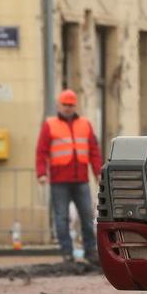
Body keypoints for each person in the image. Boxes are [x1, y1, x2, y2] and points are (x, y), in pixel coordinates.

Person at [35, 89, 101, 263]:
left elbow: (94, 151)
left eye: (71, 105)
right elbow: (41, 151)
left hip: (81, 179)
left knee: (87, 216)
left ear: (75, 105)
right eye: (65, 104)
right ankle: (66, 252)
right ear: (59, 105)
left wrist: (98, 173)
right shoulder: (50, 124)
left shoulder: (85, 124)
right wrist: (41, 173)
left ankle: (90, 251)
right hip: (59, 181)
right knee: (61, 217)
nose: (68, 108)